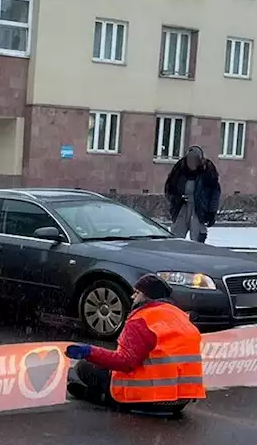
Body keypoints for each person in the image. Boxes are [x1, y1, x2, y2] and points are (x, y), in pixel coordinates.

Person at [64, 274, 206, 415]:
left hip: (149, 399)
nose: (133, 297)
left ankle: (98, 396)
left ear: (147, 296)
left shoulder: (142, 320)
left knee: (85, 368)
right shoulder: (181, 318)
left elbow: (125, 362)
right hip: (180, 401)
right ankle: (95, 394)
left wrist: (89, 352)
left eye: (137, 293)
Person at [164, 145, 221, 243]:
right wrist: (176, 198)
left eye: (194, 160)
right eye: (189, 160)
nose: (192, 163)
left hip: (199, 209)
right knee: (175, 238)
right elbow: (169, 189)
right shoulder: (179, 170)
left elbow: (214, 194)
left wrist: (211, 212)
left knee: (198, 239)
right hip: (182, 208)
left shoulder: (207, 171)